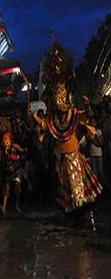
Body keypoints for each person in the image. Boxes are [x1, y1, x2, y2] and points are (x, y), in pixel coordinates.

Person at [30, 43, 102, 227]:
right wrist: (34, 117)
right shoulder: (53, 118)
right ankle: (78, 216)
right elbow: (45, 125)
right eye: (57, 100)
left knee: (81, 190)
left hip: (74, 156)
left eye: (62, 99)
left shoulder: (72, 114)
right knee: (70, 191)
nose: (60, 103)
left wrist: (86, 106)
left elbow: (87, 119)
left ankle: (87, 216)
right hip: (62, 158)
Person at [0, 133, 25, 214]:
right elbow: (3, 162)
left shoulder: (14, 146)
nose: (6, 141)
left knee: (17, 187)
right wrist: (6, 153)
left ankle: (16, 205)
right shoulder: (3, 150)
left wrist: (22, 151)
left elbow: (21, 151)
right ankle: (4, 207)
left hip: (17, 169)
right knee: (6, 189)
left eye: (8, 139)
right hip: (8, 171)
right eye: (5, 140)